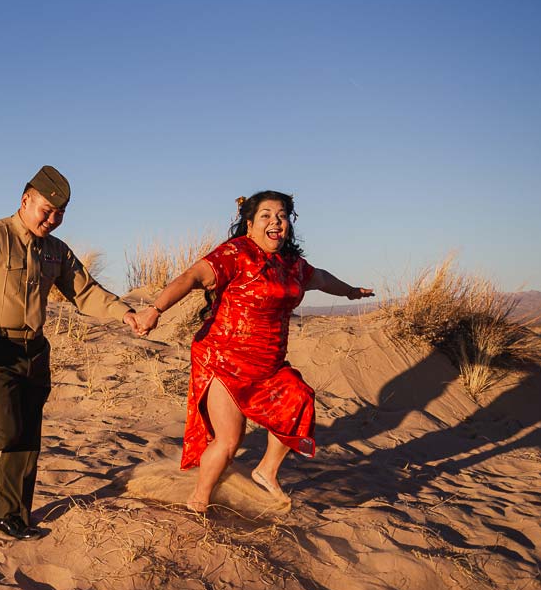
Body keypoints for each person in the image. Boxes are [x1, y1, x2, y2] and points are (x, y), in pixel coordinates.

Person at [0, 165, 142, 539]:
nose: (53, 219)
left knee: (27, 437)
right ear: (25, 200)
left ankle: (9, 515)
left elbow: (85, 292)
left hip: (35, 351)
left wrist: (124, 312)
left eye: (60, 213)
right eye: (46, 210)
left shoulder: (56, 251)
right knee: (5, 432)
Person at [135, 191, 374, 512]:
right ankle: (199, 501)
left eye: (281, 215)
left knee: (298, 398)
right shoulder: (235, 254)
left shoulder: (292, 265)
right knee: (230, 440)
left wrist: (350, 292)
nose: (275, 221)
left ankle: (265, 472)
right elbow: (191, 277)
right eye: (265, 215)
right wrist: (155, 309)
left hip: (269, 364)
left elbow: (320, 278)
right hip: (224, 358)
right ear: (249, 224)